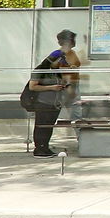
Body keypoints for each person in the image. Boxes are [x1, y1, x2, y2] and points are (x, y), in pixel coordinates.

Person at [27, 29, 79, 157]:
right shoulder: (40, 71)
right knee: (42, 126)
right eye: (60, 61)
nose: (62, 64)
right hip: (43, 102)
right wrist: (52, 87)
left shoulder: (56, 72)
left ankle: (44, 147)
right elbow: (33, 87)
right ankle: (39, 149)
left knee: (48, 126)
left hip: (53, 103)